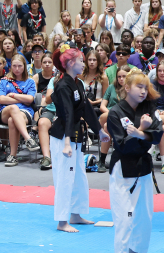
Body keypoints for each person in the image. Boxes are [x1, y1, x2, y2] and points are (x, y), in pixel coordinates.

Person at [49, 44, 108, 232]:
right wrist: (67, 142)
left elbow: (86, 108)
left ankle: (75, 214)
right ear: (70, 63)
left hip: (75, 136)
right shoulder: (62, 85)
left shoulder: (78, 83)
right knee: (64, 178)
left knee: (79, 177)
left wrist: (98, 130)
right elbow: (67, 113)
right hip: (62, 138)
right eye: (81, 61)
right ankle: (61, 221)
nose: (84, 64)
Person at [107, 70, 163, 253]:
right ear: (127, 87)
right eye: (139, 87)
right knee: (124, 220)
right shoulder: (115, 112)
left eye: (145, 88)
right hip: (122, 170)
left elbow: (158, 135)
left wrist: (138, 132)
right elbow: (122, 145)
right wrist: (142, 129)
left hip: (144, 169)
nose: (143, 92)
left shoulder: (149, 108)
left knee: (144, 219)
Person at [0, 54, 39, 166]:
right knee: (13, 109)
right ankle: (28, 138)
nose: (17, 69)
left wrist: (13, 96)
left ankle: (13, 156)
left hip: (25, 112)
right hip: (5, 111)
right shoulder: (4, 80)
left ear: (24, 66)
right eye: (14, 66)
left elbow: (30, 99)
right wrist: (21, 99)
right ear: (11, 67)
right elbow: (1, 99)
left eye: (19, 66)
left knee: (12, 121)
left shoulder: (30, 81)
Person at [98, 64, 133, 173]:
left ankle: (110, 158)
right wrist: (112, 113)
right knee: (106, 123)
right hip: (111, 115)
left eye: (124, 76)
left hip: (126, 119)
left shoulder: (132, 89)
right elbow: (102, 106)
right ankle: (102, 161)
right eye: (119, 77)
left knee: (107, 125)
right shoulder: (111, 87)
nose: (121, 79)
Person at [35, 53, 57, 170]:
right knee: (42, 122)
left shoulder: (79, 81)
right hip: (51, 109)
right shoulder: (54, 79)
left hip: (68, 112)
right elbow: (48, 99)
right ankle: (46, 157)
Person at [79, 49, 109, 114]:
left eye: (94, 60)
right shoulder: (82, 75)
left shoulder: (103, 77)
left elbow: (106, 98)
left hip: (96, 107)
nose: (92, 62)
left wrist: (93, 102)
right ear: (86, 61)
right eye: (89, 60)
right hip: (82, 106)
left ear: (98, 62)